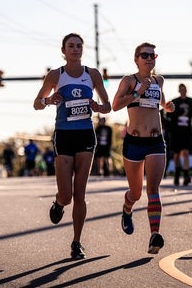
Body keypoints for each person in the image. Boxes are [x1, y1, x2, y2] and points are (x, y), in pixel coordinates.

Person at [33, 33, 111, 259]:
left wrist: (98, 106)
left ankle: (76, 242)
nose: (75, 49)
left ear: (82, 50)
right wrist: (49, 100)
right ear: (63, 50)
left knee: (80, 193)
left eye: (79, 46)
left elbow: (108, 106)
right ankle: (59, 203)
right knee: (67, 195)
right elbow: (37, 104)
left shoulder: (92, 74)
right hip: (64, 136)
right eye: (71, 46)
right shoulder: (56, 75)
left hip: (86, 135)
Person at [112, 42, 175, 254]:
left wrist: (167, 106)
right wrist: (137, 92)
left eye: (152, 55)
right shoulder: (130, 80)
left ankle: (154, 236)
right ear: (136, 59)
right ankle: (127, 209)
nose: (149, 58)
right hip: (135, 142)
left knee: (153, 190)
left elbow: (161, 102)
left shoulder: (159, 80)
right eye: (144, 55)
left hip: (156, 142)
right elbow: (115, 105)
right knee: (136, 192)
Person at [167, 83, 192, 186]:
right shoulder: (175, 101)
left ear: (186, 90)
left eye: (184, 89)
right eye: (181, 89)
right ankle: (177, 174)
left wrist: (189, 113)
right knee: (176, 154)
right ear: (179, 90)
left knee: (185, 152)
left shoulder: (191, 101)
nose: (183, 91)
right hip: (176, 131)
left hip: (186, 131)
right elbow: (168, 113)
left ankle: (186, 175)